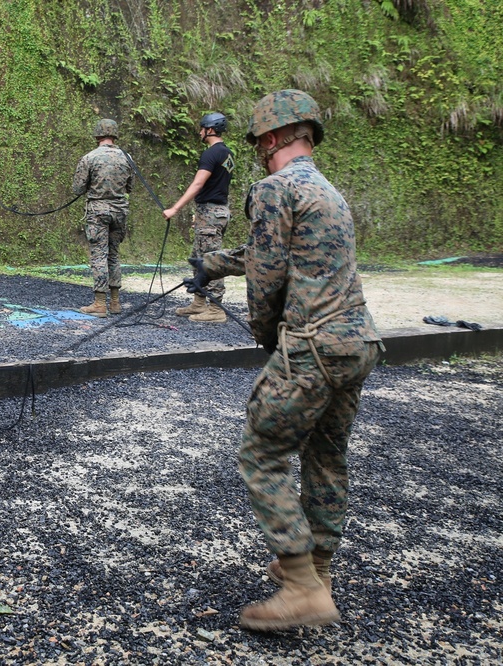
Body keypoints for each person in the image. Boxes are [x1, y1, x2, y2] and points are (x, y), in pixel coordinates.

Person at [187, 90, 384, 631]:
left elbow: (268, 277)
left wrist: (268, 338)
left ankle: (301, 589)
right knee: (326, 458)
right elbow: (282, 251)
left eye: (259, 142)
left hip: (313, 346)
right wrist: (212, 262)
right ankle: (317, 569)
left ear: (270, 139)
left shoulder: (274, 188)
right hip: (357, 343)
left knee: (261, 454)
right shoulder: (325, 190)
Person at [163, 112, 235, 324]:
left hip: (211, 213)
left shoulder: (211, 153)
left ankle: (215, 308)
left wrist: (175, 208)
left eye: (202, 128)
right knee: (198, 257)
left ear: (210, 130)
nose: (200, 132)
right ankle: (199, 303)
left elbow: (198, 184)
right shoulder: (227, 153)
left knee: (211, 259)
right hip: (215, 211)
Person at [72, 119, 133, 318]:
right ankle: (115, 302)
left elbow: (78, 188)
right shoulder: (127, 157)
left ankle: (99, 303)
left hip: (98, 211)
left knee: (99, 255)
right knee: (114, 254)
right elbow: (130, 188)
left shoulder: (90, 158)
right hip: (120, 211)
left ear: (98, 135)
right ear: (114, 135)